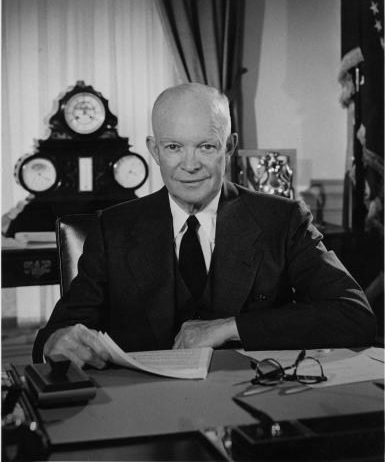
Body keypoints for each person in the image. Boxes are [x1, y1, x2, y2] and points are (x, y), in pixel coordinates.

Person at [33, 83, 376, 368]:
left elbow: (355, 316)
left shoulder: (282, 220)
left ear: (229, 147)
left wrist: (231, 327)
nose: (190, 164)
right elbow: (56, 333)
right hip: (143, 408)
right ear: (154, 150)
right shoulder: (113, 228)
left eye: (206, 146)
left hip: (248, 403)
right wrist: (56, 342)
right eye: (174, 147)